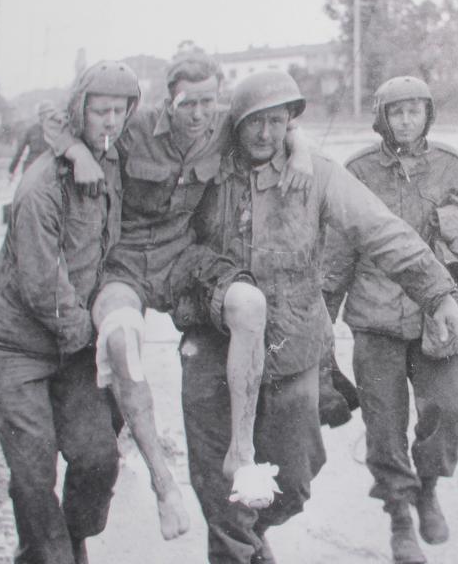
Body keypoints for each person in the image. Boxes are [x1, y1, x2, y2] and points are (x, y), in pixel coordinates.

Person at [179, 69, 458, 564]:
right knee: (221, 488)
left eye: (277, 121)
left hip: (290, 346)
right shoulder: (206, 172)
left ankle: (251, 530)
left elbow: (380, 230)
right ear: (236, 123)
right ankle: (240, 548)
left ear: (291, 122)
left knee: (296, 480)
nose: (266, 134)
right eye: (254, 123)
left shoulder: (316, 174)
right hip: (213, 349)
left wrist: (437, 291)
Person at [43, 51, 315, 537]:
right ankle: (163, 485)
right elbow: (57, 119)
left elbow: (273, 124)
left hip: (182, 259)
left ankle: (242, 454)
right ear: (170, 99)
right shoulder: (134, 128)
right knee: (123, 342)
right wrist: (77, 151)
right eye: (189, 103)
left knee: (249, 305)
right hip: (122, 263)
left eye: (208, 102)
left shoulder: (222, 126)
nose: (198, 114)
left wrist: (301, 147)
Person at [0, 60, 140, 564]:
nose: (110, 121)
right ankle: (49, 555)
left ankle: (68, 540)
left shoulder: (110, 162)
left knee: (98, 458)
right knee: (32, 474)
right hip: (18, 347)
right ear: (80, 112)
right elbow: (42, 285)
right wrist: (96, 346)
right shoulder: (42, 185)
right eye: (100, 111)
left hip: (72, 346)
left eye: (120, 111)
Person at [322, 76, 458, 564]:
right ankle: (399, 517)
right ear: (382, 118)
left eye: (416, 111)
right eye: (397, 112)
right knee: (384, 426)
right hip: (376, 317)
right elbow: (337, 253)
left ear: (428, 115)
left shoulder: (449, 165)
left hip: (436, 314)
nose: (407, 120)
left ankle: (428, 486)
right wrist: (322, 329)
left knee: (453, 407)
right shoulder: (358, 170)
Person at [8, 101, 55, 181]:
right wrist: (12, 170)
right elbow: (20, 151)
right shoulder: (31, 130)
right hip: (32, 166)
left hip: (49, 166)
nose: (48, 116)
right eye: (45, 113)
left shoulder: (56, 130)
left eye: (50, 113)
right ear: (40, 115)